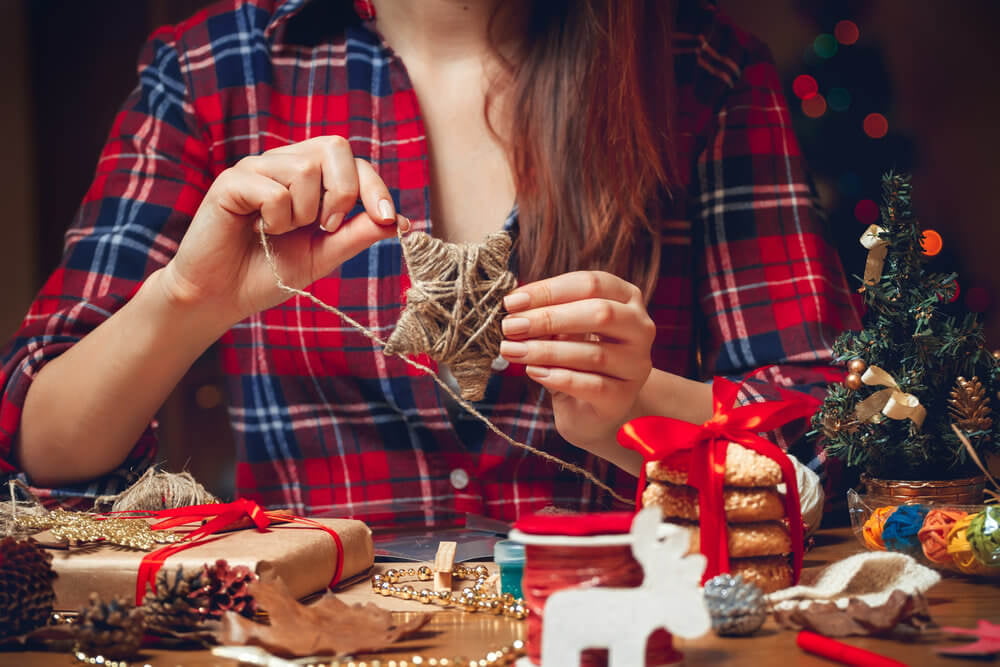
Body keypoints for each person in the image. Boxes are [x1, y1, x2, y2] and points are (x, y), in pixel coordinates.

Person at [0, 0, 857, 528]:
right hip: (307, 633)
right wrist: (189, 298)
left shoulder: (700, 71)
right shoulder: (211, 70)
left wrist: (638, 409)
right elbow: (38, 445)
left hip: (615, 625)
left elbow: (831, 447)